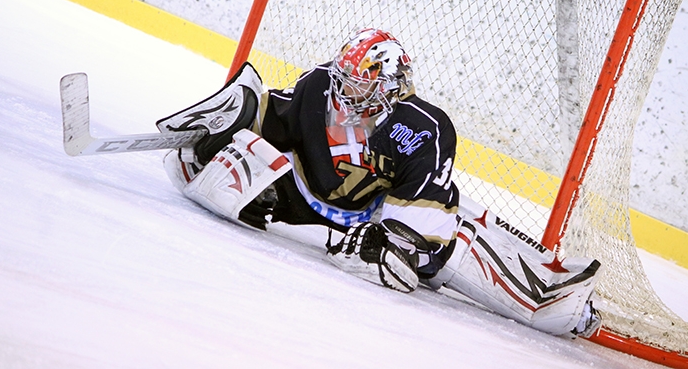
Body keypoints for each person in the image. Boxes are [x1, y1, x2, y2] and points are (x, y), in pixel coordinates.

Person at [157, 28, 602, 338]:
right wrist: (222, 130)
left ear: (390, 89)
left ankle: (562, 304)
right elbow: (273, 115)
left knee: (462, 242)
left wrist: (392, 247)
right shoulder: (317, 88)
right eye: (343, 81)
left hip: (378, 214)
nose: (344, 94)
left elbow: (399, 262)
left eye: (358, 86)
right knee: (228, 160)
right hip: (310, 196)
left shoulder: (422, 128)